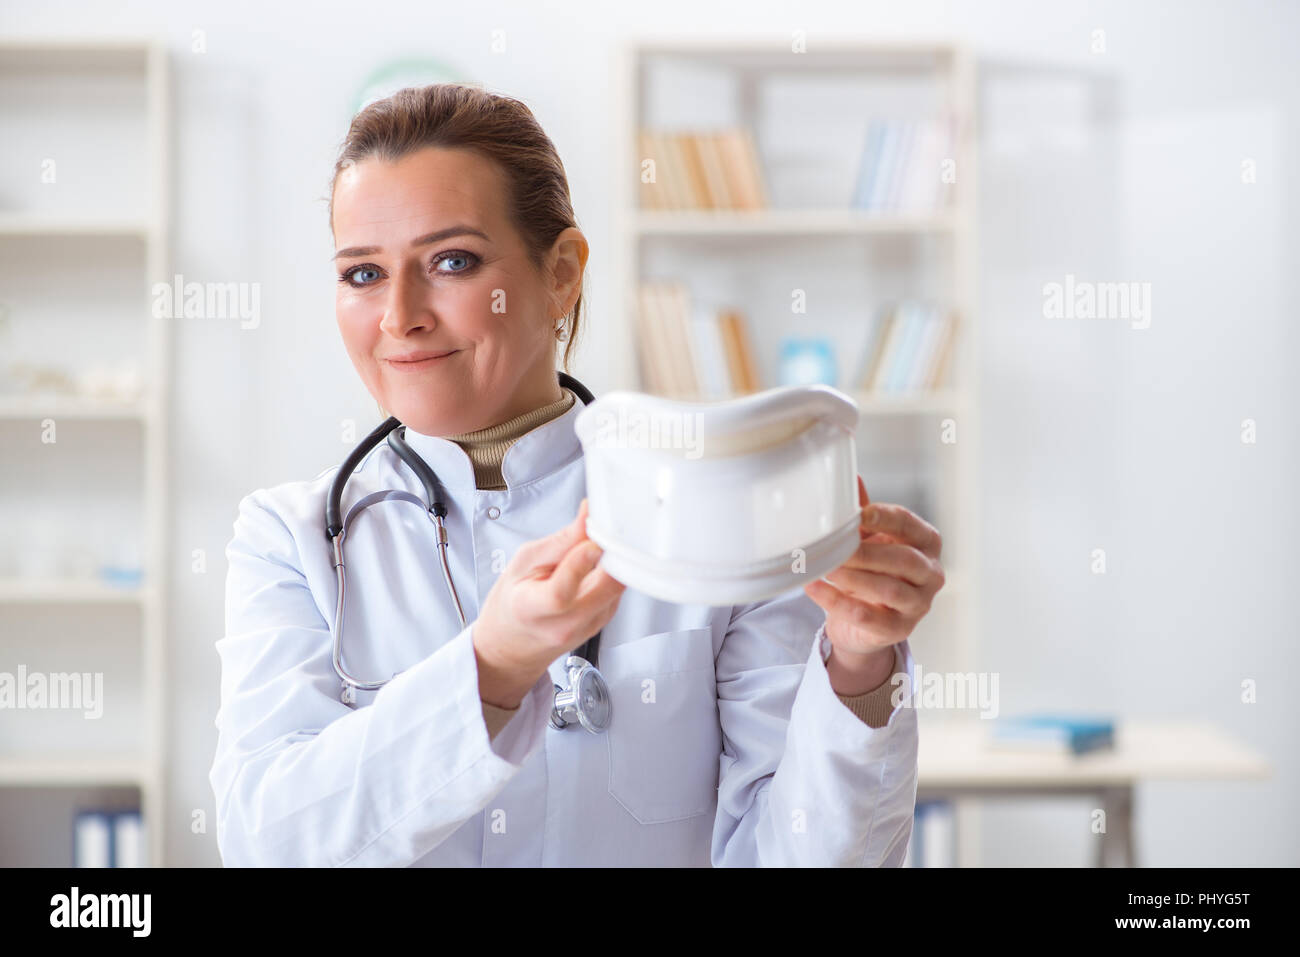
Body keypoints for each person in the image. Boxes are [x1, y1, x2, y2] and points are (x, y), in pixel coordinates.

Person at [209, 83, 945, 867]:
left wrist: (861, 665)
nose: (399, 315)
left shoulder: (713, 509)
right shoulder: (291, 538)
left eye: (450, 262)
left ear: (561, 273)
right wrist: (491, 667)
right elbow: (268, 843)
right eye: (362, 274)